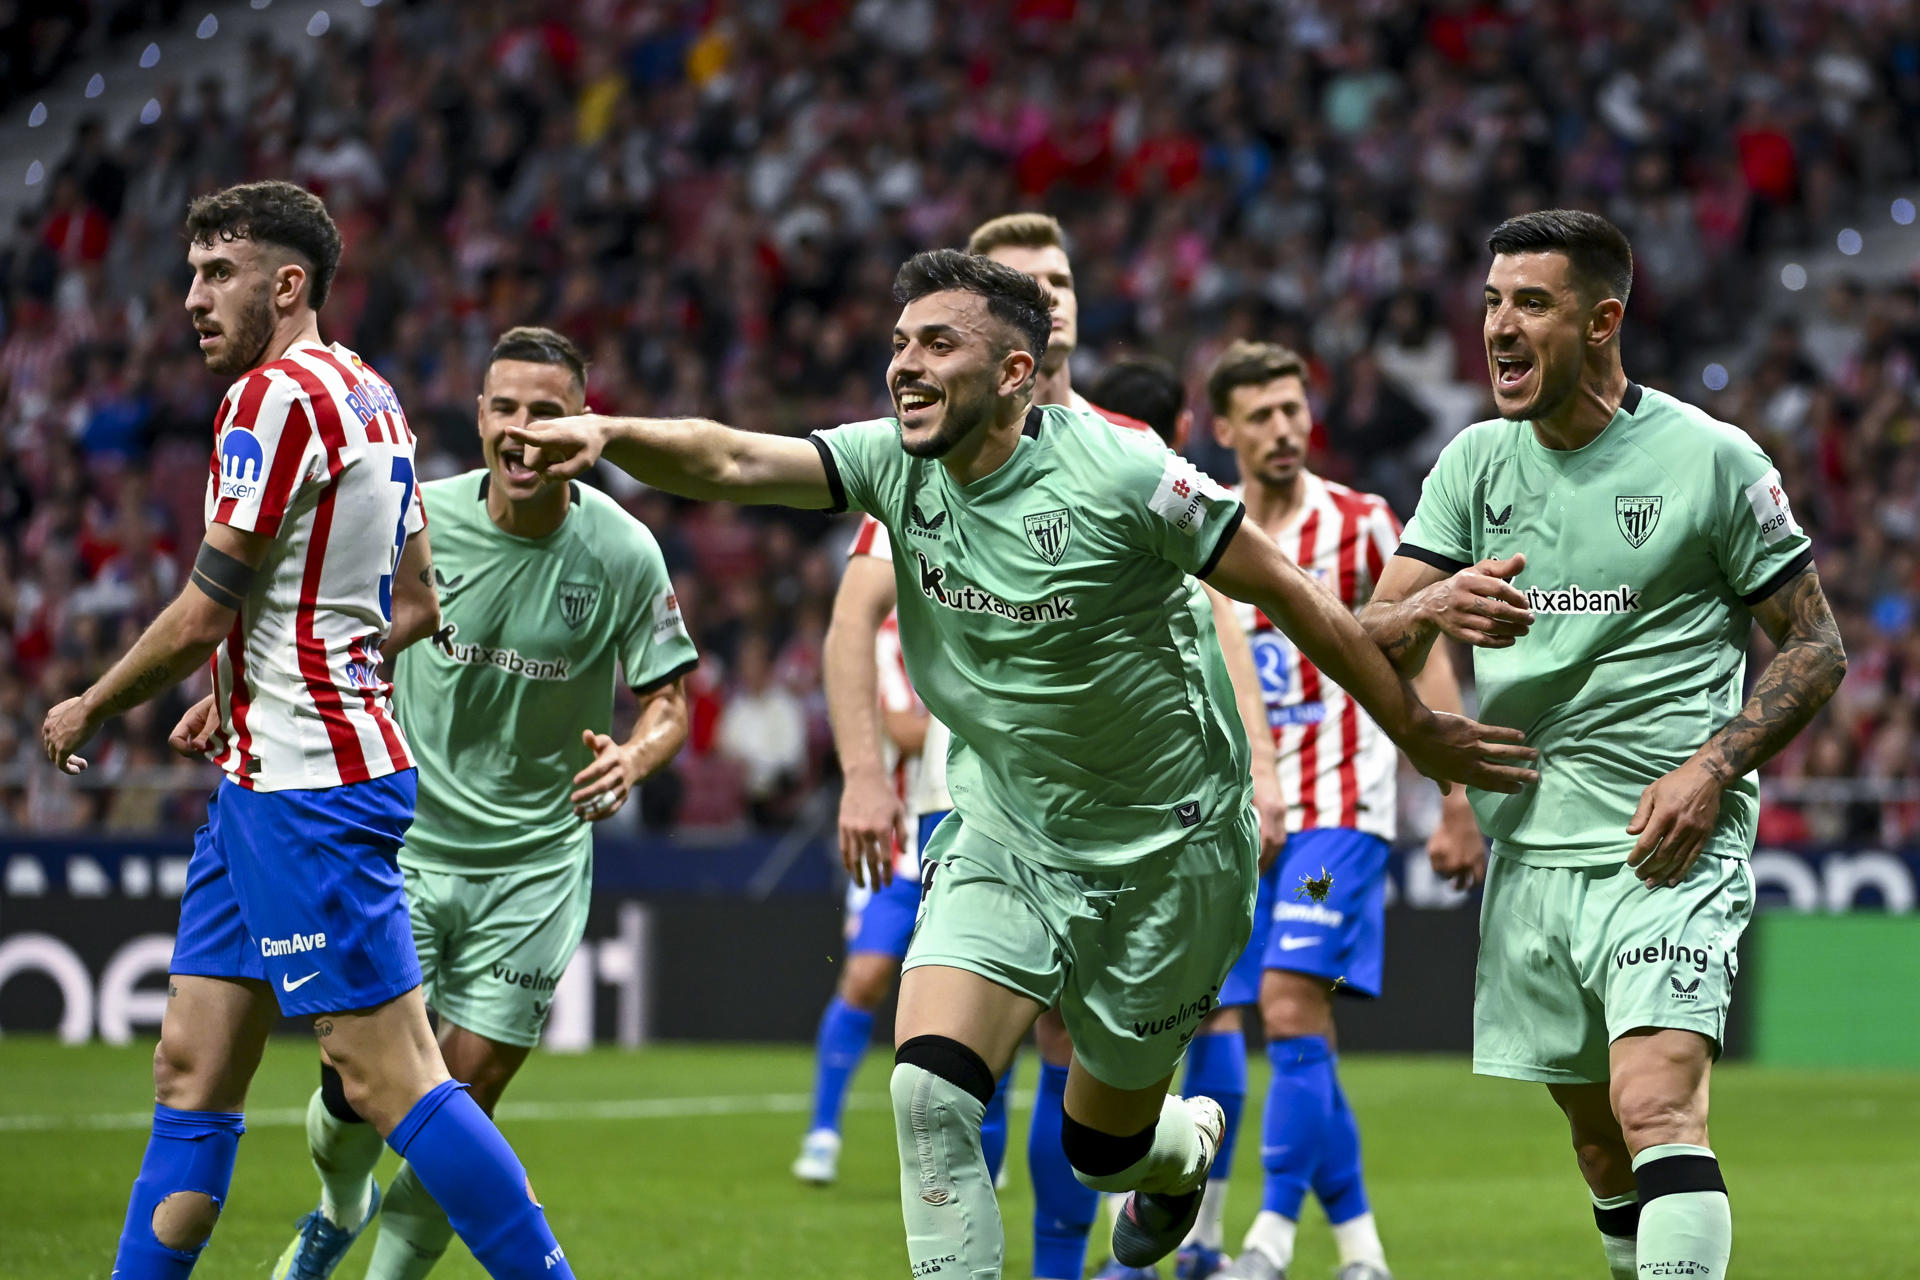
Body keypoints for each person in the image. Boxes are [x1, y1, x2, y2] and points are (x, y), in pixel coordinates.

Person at [510, 247, 1537, 1279]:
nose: (905, 365)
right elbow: (733, 461)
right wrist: (611, 433)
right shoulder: (894, 462)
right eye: (900, 343)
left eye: (938, 343)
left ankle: (1176, 1153)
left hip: (1170, 859)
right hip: (1005, 829)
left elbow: (1291, 596)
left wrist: (1413, 727)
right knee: (926, 1094)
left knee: (1106, 1147)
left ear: (1012, 373)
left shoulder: (1129, 474)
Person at [39, 181, 575, 1279]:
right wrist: (267, 682)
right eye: (191, 272)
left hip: (309, 788)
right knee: (191, 1069)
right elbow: (419, 601)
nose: (192, 296)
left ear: (288, 284)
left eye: (217, 273)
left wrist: (93, 701)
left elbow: (203, 609)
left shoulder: (269, 398)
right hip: (266, 770)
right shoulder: (374, 398)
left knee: (394, 1078)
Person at [1360, 210, 1844, 1280]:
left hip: (1664, 843)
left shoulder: (1712, 459)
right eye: (1490, 302)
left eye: (1529, 302)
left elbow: (1816, 645)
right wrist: (1437, 598)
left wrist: (1714, 767)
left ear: (1603, 319)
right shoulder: (1475, 465)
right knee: (1598, 1140)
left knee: (1656, 1105)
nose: (1496, 326)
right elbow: (1365, 633)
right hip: (1531, 845)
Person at [816, 217, 1284, 1280]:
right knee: (941, 1084)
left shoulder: (1127, 449)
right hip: (979, 801)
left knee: (1089, 1108)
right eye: (1028, 283)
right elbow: (856, 610)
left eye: (1063, 279)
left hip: (1137, 822)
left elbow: (1218, 610)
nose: (1053, 295)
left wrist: (1257, 758)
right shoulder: (919, 447)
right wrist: (859, 771)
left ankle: (1142, 1178)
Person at [274, 325, 695, 1279]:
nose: (521, 430)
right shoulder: (418, 519)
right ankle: (340, 1203)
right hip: (406, 848)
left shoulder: (625, 552)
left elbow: (669, 700)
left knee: (462, 1097)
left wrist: (634, 757)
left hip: (538, 864)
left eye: (545, 411)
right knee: (357, 1084)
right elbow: (315, 624)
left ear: (582, 425)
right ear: (478, 417)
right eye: (504, 408)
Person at [1202, 342, 1483, 1280]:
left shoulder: (1362, 523)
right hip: (1241, 820)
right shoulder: (1212, 532)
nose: (1285, 429)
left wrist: (1453, 800)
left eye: (1294, 409)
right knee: (1289, 1033)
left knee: (1286, 1008)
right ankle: (1362, 1253)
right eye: (1263, 414)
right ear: (1225, 429)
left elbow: (1430, 650)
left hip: (1340, 809)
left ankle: (1268, 1244)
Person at [793, 543, 1002, 1189]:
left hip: (979, 828)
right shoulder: (887, 632)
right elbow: (905, 730)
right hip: (902, 844)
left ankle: (987, 1154)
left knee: (990, 994)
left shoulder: (989, 613)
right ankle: (823, 1131)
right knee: (865, 975)